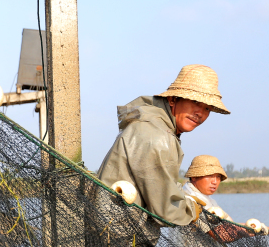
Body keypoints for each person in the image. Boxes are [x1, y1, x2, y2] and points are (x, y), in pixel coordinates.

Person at [97, 64, 229, 231]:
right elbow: (165, 210)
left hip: (117, 231)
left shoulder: (155, 127)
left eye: (207, 108)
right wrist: (194, 210)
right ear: (173, 99)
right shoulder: (157, 136)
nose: (200, 113)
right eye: (195, 102)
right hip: (118, 236)